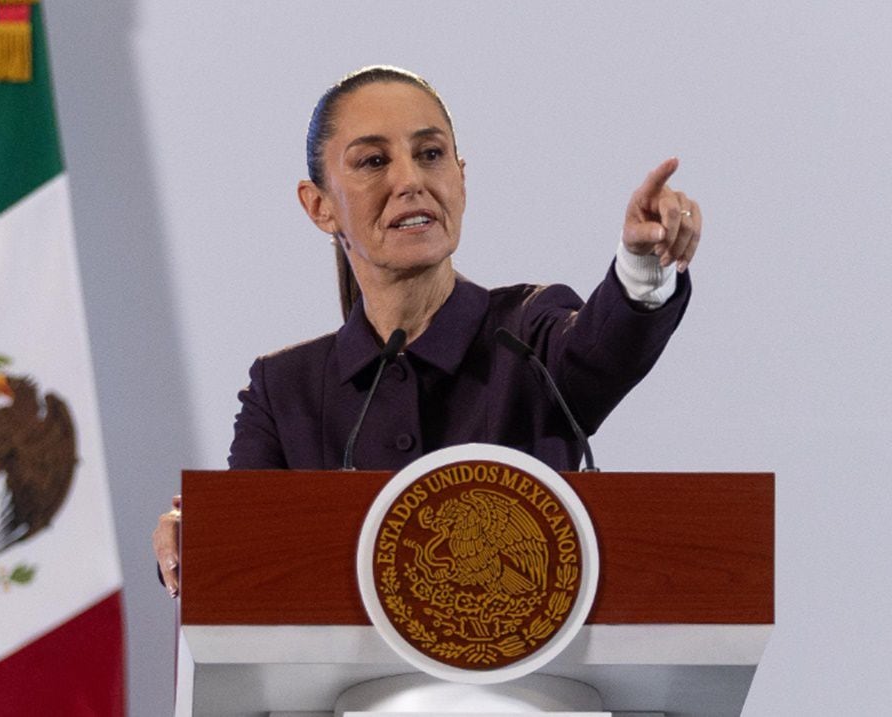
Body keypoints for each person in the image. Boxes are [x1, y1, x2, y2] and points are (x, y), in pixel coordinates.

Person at [153, 66, 701, 598]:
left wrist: (641, 265)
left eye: (430, 155)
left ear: (460, 179)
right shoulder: (284, 391)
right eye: (373, 161)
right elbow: (241, 559)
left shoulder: (528, 334)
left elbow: (603, 351)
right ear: (319, 206)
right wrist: (195, 537)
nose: (410, 181)